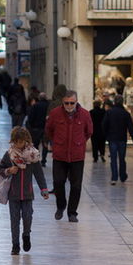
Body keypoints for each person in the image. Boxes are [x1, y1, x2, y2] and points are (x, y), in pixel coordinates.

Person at [0, 127, 49, 255]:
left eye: (20, 142)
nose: (18, 145)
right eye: (15, 142)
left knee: (27, 216)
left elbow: (38, 174)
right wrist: (9, 170)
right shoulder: (9, 154)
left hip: (27, 193)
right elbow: (0, 169)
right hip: (13, 194)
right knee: (14, 220)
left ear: (26, 140)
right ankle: (15, 245)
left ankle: (26, 234)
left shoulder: (33, 155)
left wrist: (44, 189)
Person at [44, 90, 93, 222]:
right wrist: (57, 142)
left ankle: (72, 212)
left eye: (72, 103)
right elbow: (49, 130)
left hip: (77, 156)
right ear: (63, 102)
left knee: (76, 185)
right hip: (60, 155)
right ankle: (61, 206)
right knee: (58, 182)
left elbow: (89, 132)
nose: (69, 105)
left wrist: (80, 143)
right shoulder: (55, 114)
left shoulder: (84, 114)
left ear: (76, 102)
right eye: (67, 103)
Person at [102, 95, 133, 185]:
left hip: (112, 139)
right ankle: (122, 176)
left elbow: (103, 125)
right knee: (122, 158)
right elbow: (131, 128)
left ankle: (114, 178)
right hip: (122, 139)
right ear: (122, 102)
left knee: (113, 159)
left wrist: (106, 136)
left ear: (114, 102)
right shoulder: (126, 114)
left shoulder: (109, 112)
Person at [25, 92, 50, 166]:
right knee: (45, 144)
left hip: (36, 128)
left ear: (39, 98)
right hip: (45, 128)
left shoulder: (35, 105)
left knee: (36, 145)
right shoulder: (48, 106)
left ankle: (36, 159)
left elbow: (31, 117)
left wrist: (31, 126)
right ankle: (44, 160)